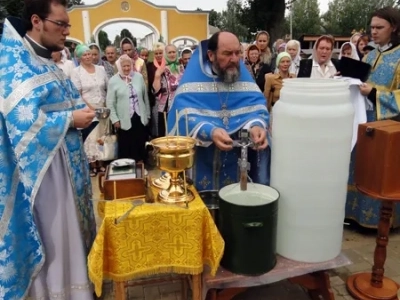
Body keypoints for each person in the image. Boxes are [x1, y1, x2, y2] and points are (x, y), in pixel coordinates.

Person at [0, 0, 96, 298]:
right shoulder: (14, 62)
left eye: (68, 25)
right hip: (44, 176)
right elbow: (18, 120)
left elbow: (66, 99)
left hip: (66, 167)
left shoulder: (46, 60)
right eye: (61, 24)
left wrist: (83, 110)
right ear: (36, 21)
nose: (67, 31)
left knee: (69, 237)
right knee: (54, 237)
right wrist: (69, 118)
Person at [167, 31, 270, 191]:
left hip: (234, 162)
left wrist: (256, 125)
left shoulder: (242, 76)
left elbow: (256, 106)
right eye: (227, 54)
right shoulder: (192, 79)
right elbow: (182, 115)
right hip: (200, 160)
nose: (235, 59)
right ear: (211, 55)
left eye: (238, 53)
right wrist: (209, 131)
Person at [345, 7, 400, 228]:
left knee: (378, 169)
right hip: (363, 121)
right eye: (372, 27)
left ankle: (379, 220)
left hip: (387, 127)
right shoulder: (370, 54)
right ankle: (354, 215)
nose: (374, 32)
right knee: (359, 166)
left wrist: (375, 92)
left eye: (379, 27)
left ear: (394, 28)